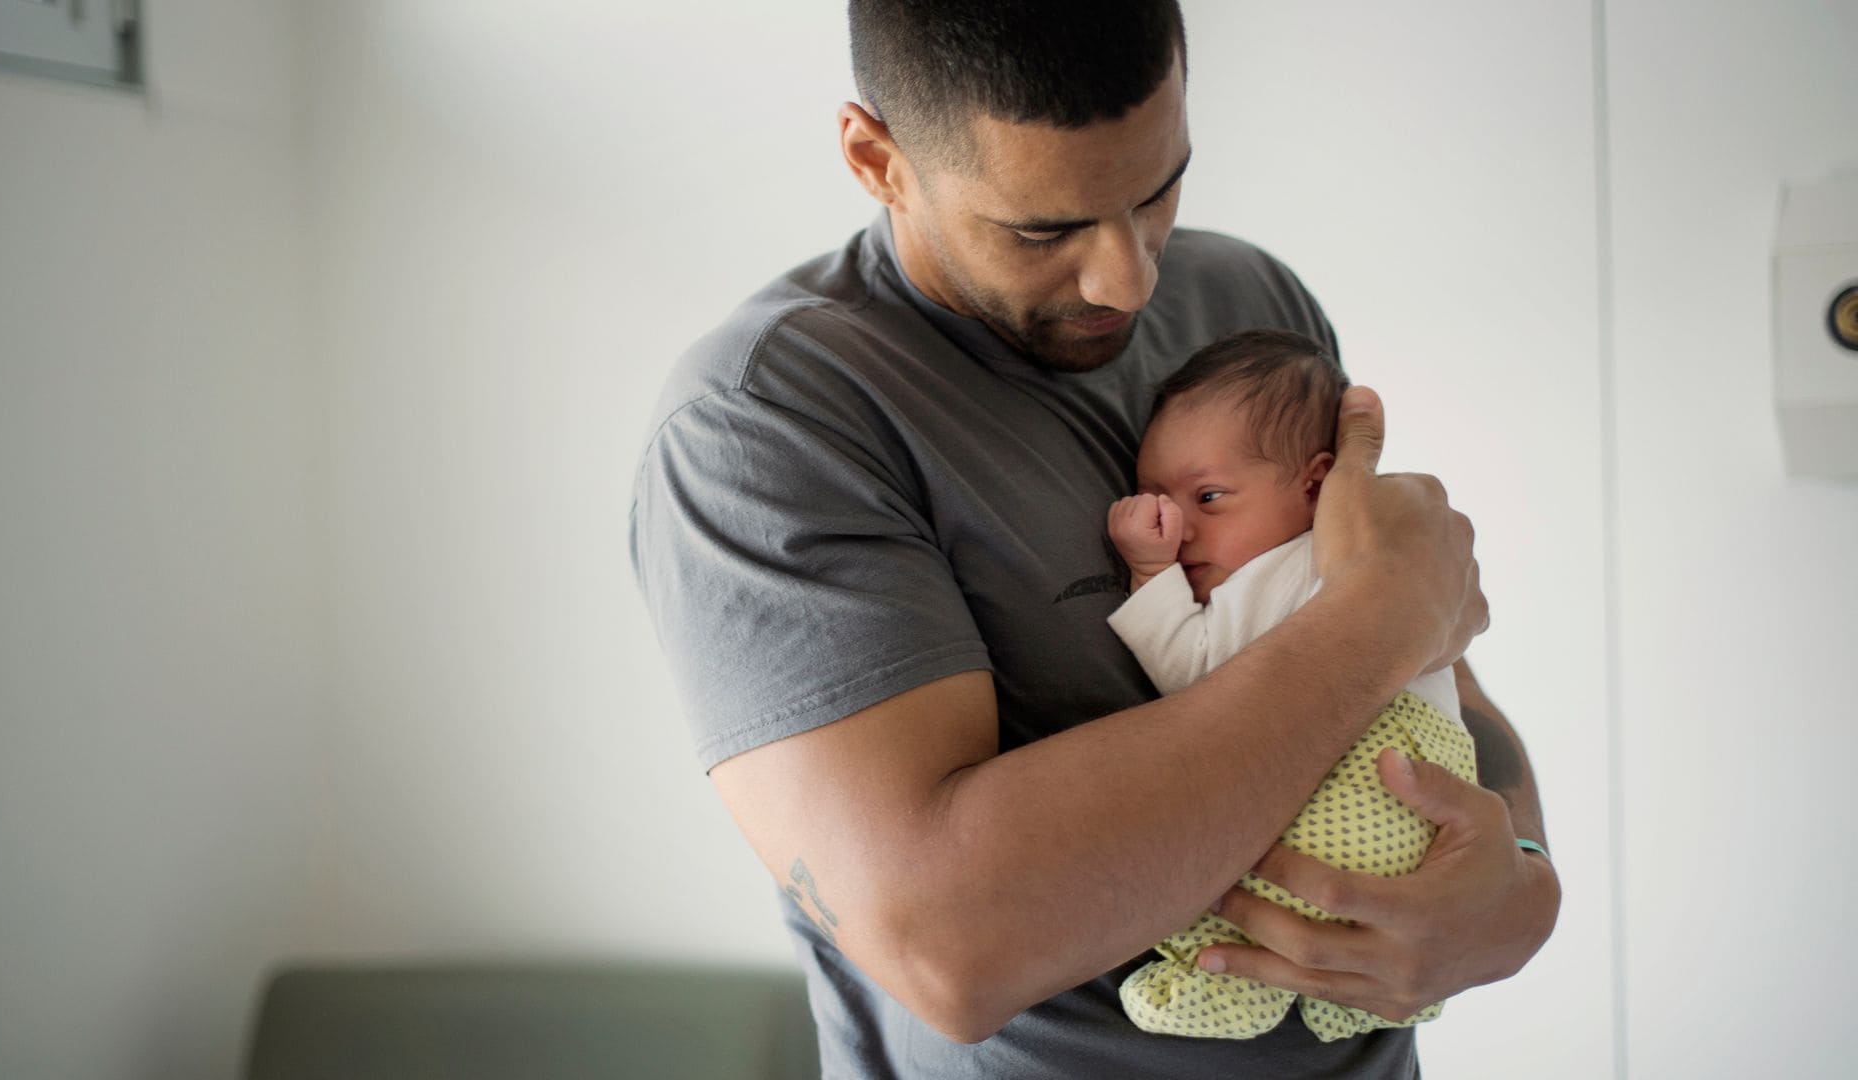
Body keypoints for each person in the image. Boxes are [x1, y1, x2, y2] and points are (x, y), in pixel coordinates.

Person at [629, 2, 1559, 1075]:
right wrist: (1374, 623)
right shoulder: (767, 422)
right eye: (1043, 229)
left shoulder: (1248, 302)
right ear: (875, 157)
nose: (1130, 276)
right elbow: (952, 951)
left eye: (1159, 189)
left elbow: (1429, 666)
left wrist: (1524, 879)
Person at [1104, 329, 1478, 1042]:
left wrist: (1150, 575)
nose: (1178, 527)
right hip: (1427, 796)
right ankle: (1348, 1002)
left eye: (1208, 497)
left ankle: (1216, 986)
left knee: (1231, 903)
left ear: (1316, 484)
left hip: (1362, 787)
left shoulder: (1275, 575)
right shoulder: (1383, 552)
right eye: (1158, 500)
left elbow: (1190, 670)